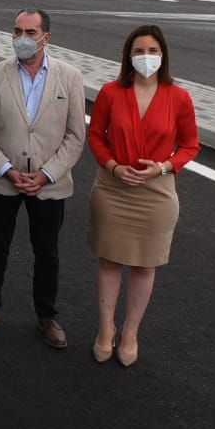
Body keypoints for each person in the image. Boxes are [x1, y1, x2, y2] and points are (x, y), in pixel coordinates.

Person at [85, 24, 201, 367]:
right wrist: (113, 166)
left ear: (163, 55)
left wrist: (163, 168)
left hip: (156, 191)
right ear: (127, 56)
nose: (145, 57)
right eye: (138, 51)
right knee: (108, 261)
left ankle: (131, 331)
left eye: (152, 51)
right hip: (113, 187)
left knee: (144, 265)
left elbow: (190, 145)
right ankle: (105, 329)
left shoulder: (179, 97)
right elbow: (96, 136)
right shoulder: (110, 92)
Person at [0, 9, 87, 349]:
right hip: (3, 181)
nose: (23, 38)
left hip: (49, 185)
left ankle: (47, 315)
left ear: (46, 37)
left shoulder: (70, 77)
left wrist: (47, 174)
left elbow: (75, 136)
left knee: (47, 252)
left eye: (31, 32)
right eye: (17, 31)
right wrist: (6, 169)